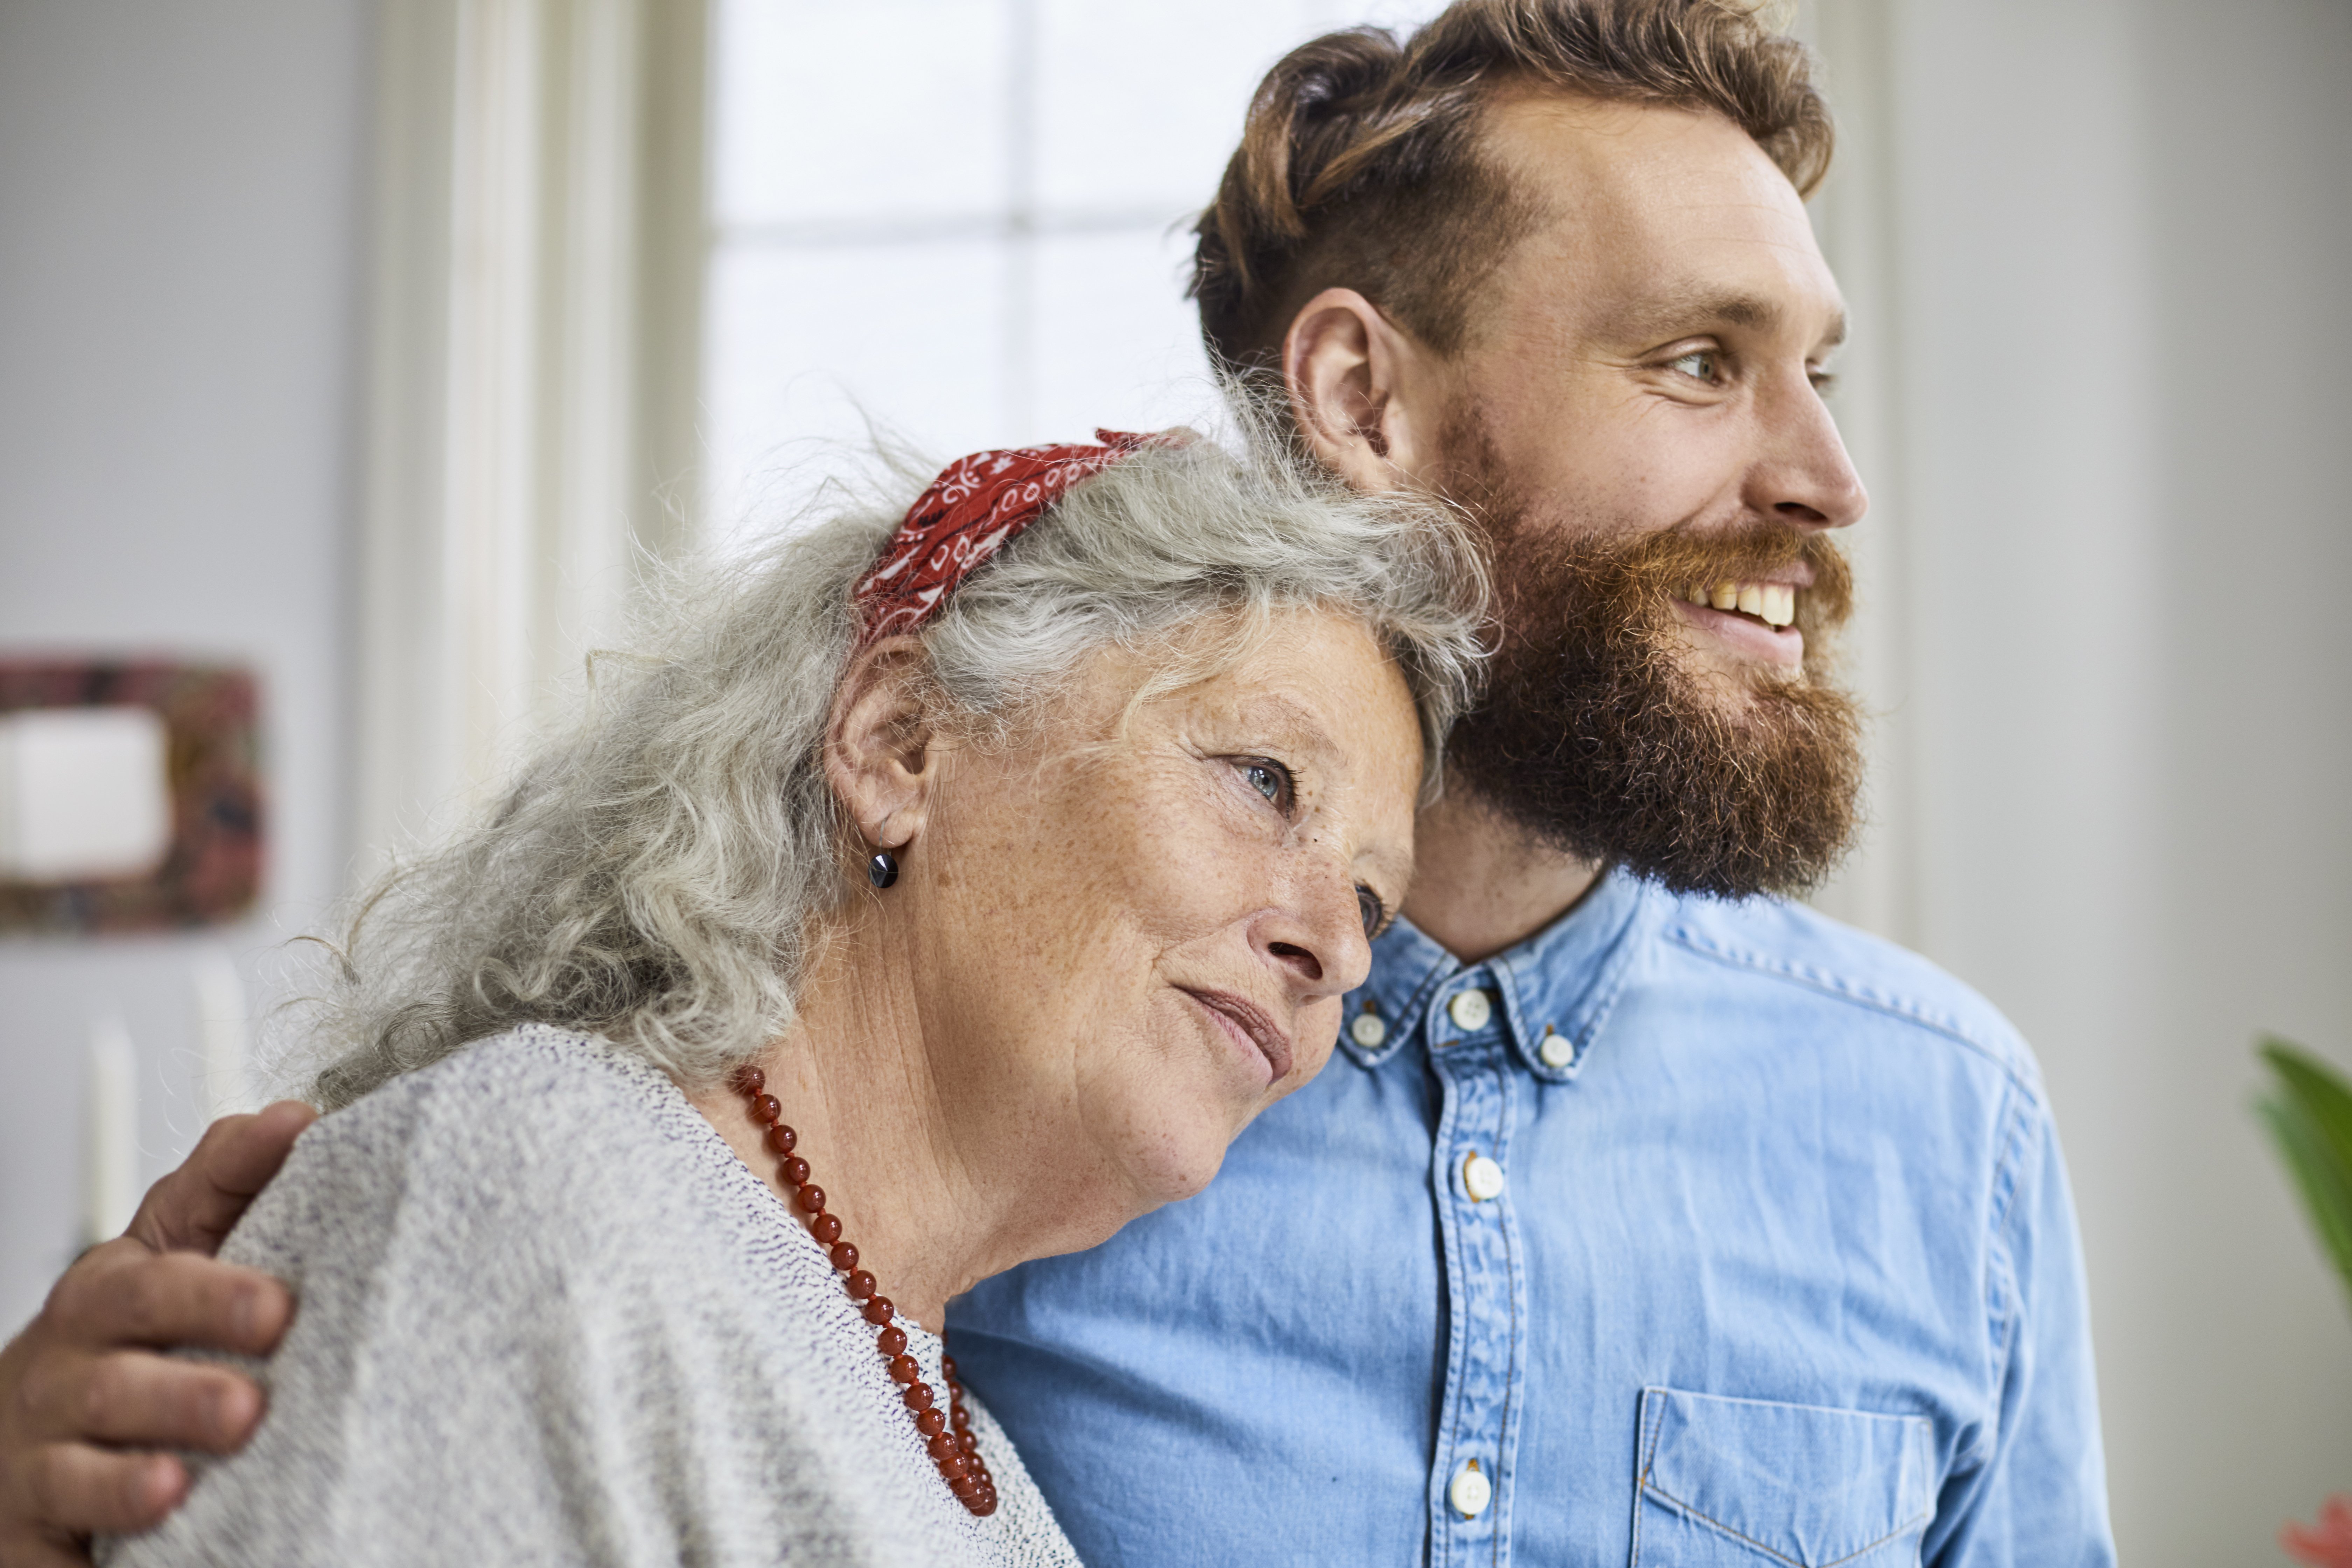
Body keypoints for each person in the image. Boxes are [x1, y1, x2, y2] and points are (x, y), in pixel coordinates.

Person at [0, 1, 2119, 1564]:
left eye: (1817, 374)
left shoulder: (1950, 1136)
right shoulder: (1044, 1079)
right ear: (1363, 393)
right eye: (1696, 360)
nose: (1829, 481)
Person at [57, 430, 1488, 1567]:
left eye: (1370, 898)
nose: (1338, 951)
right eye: (1262, 779)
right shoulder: (540, 1189)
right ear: (901, 739)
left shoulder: (967, 1450)